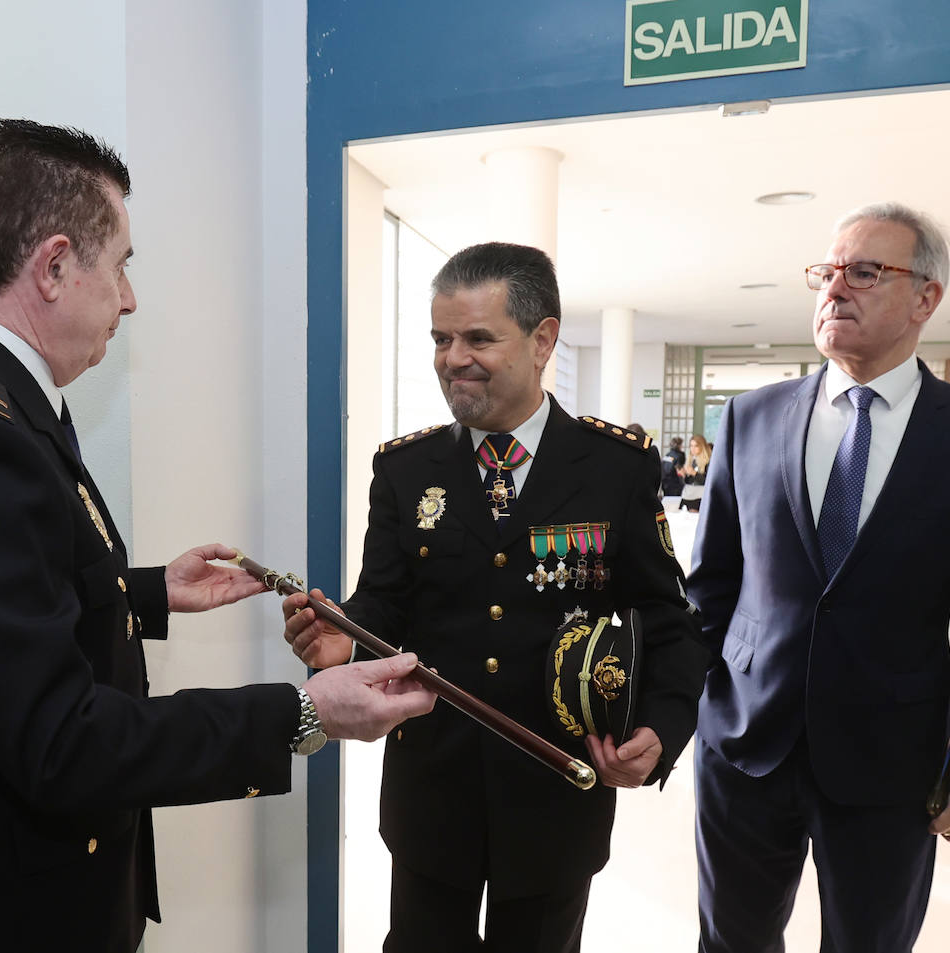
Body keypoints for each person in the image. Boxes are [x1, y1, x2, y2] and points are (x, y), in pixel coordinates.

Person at [0, 119, 435, 953]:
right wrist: (304, 711)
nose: (131, 297)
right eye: (122, 266)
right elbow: (59, 738)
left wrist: (141, 591)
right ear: (54, 265)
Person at [283, 242, 711, 952]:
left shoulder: (617, 467)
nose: (454, 357)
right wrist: (346, 638)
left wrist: (661, 732)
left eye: (479, 337)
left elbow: (670, 621)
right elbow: (383, 598)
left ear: (543, 339)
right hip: (432, 793)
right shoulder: (404, 467)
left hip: (555, 796)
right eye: (441, 338)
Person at [685, 202, 950, 952]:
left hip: (891, 759)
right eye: (828, 270)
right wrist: (668, 709)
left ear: (925, 298)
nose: (836, 287)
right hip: (746, 741)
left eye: (866, 271)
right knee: (730, 941)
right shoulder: (750, 416)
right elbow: (709, 589)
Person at [679, 434, 711, 511]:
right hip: (688, 495)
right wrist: (684, 475)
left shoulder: (708, 462)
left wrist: (694, 473)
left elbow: (709, 482)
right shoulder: (691, 460)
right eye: (691, 446)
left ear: (702, 446)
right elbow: (689, 482)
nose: (692, 449)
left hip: (700, 497)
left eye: (696, 446)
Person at [661, 435, 687, 499]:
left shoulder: (667, 455)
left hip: (665, 483)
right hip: (675, 485)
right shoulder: (680, 456)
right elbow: (680, 471)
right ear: (679, 445)